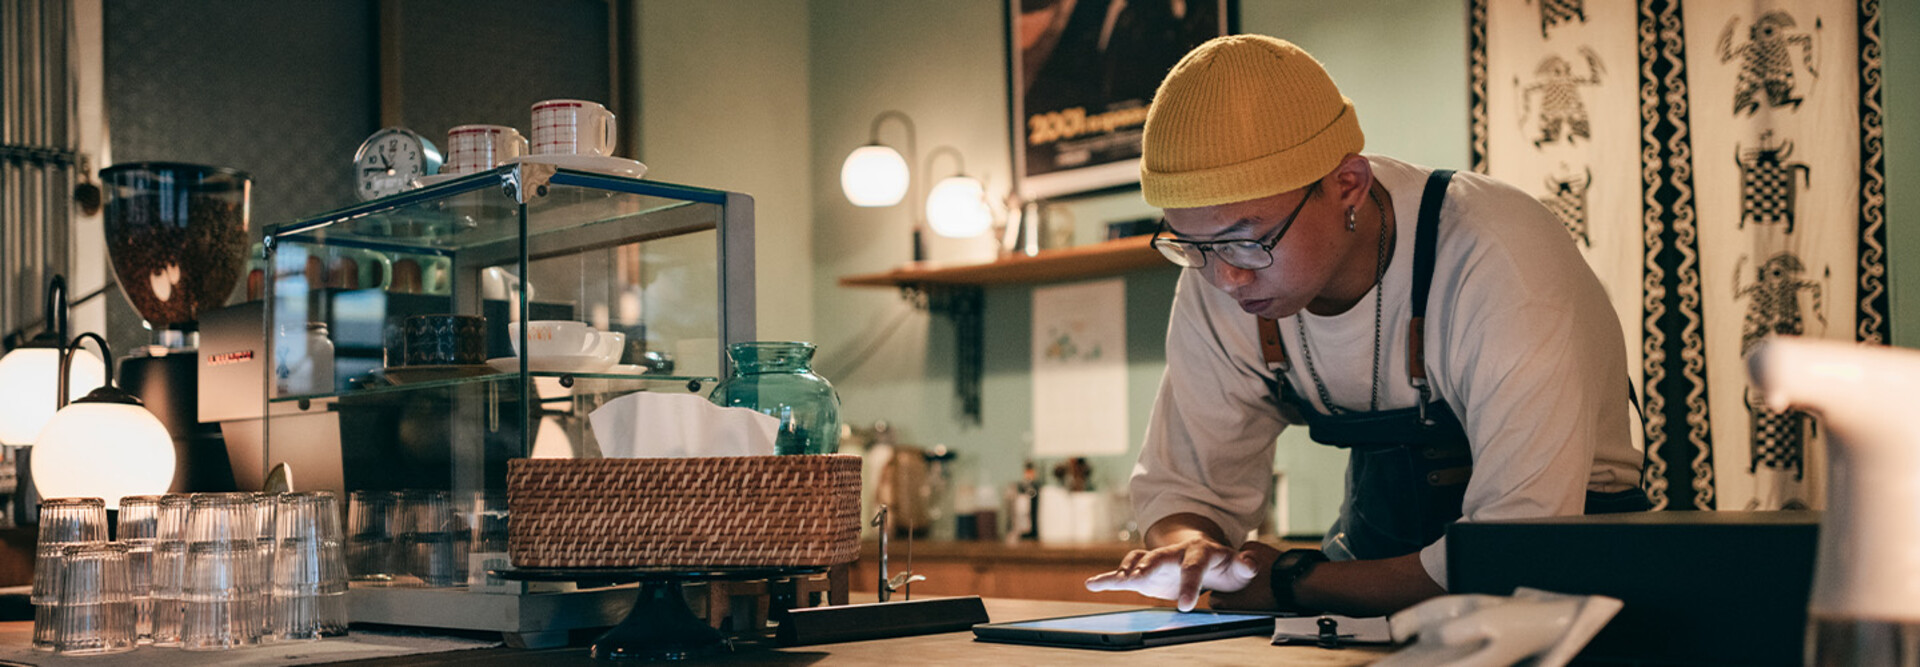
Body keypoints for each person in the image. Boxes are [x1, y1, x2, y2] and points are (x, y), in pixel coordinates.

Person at [1082, 34, 1648, 617]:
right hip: (1369, 565)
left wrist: (1292, 579)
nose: (1225, 279)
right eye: (1192, 245)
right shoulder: (1220, 273)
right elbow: (1186, 488)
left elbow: (1509, 549)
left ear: (1347, 184)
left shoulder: (1497, 256)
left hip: (1566, 585)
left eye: (1248, 240)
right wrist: (1192, 548)